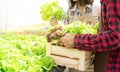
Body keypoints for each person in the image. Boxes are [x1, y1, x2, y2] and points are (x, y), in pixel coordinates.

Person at [59, 0, 120, 72]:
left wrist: (76, 40)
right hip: (81, 61)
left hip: (105, 64)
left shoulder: (107, 3)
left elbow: (115, 38)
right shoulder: (70, 10)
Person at [51, 0, 100, 72]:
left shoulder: (97, 8)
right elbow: (64, 36)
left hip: (91, 65)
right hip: (73, 65)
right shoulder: (70, 11)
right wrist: (57, 30)